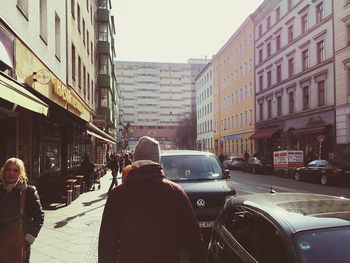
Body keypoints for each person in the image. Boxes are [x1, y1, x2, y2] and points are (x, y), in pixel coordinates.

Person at [99, 136, 207, 263]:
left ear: (134, 161)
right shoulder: (175, 192)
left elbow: (107, 244)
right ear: (158, 161)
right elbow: (194, 240)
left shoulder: (117, 195)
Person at [0, 157, 44, 263]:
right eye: (8, 169)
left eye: (15, 170)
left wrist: (30, 236)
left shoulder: (28, 191)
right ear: (4, 171)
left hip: (19, 241)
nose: (11, 173)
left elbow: (39, 216)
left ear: (20, 173)